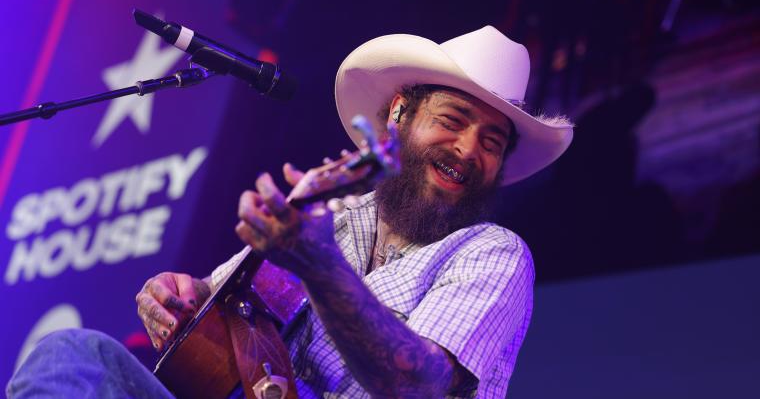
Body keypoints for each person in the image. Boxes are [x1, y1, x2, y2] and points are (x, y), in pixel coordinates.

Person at [7, 26, 573, 398]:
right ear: (397, 116)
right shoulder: (331, 218)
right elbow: (215, 303)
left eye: (492, 142)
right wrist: (178, 297)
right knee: (72, 355)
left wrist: (322, 267)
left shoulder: (492, 253)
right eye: (451, 121)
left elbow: (416, 386)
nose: (469, 150)